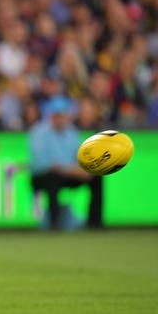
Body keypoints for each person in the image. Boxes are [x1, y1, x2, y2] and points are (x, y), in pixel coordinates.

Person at [29, 95, 103, 229]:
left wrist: (84, 170)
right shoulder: (39, 132)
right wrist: (72, 170)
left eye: (63, 115)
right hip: (42, 176)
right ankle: (53, 224)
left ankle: (94, 223)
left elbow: (80, 158)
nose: (60, 118)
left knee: (96, 176)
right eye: (57, 115)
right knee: (53, 178)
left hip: (67, 174)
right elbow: (44, 164)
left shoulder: (72, 133)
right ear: (51, 115)